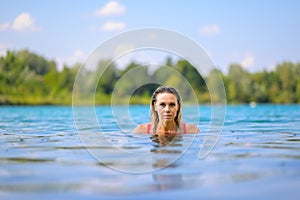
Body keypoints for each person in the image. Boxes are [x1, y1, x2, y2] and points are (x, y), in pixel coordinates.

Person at [133, 86, 199, 134]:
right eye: (162, 105)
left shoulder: (192, 130)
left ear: (178, 106)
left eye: (172, 104)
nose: (167, 109)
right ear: (155, 106)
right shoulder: (141, 131)